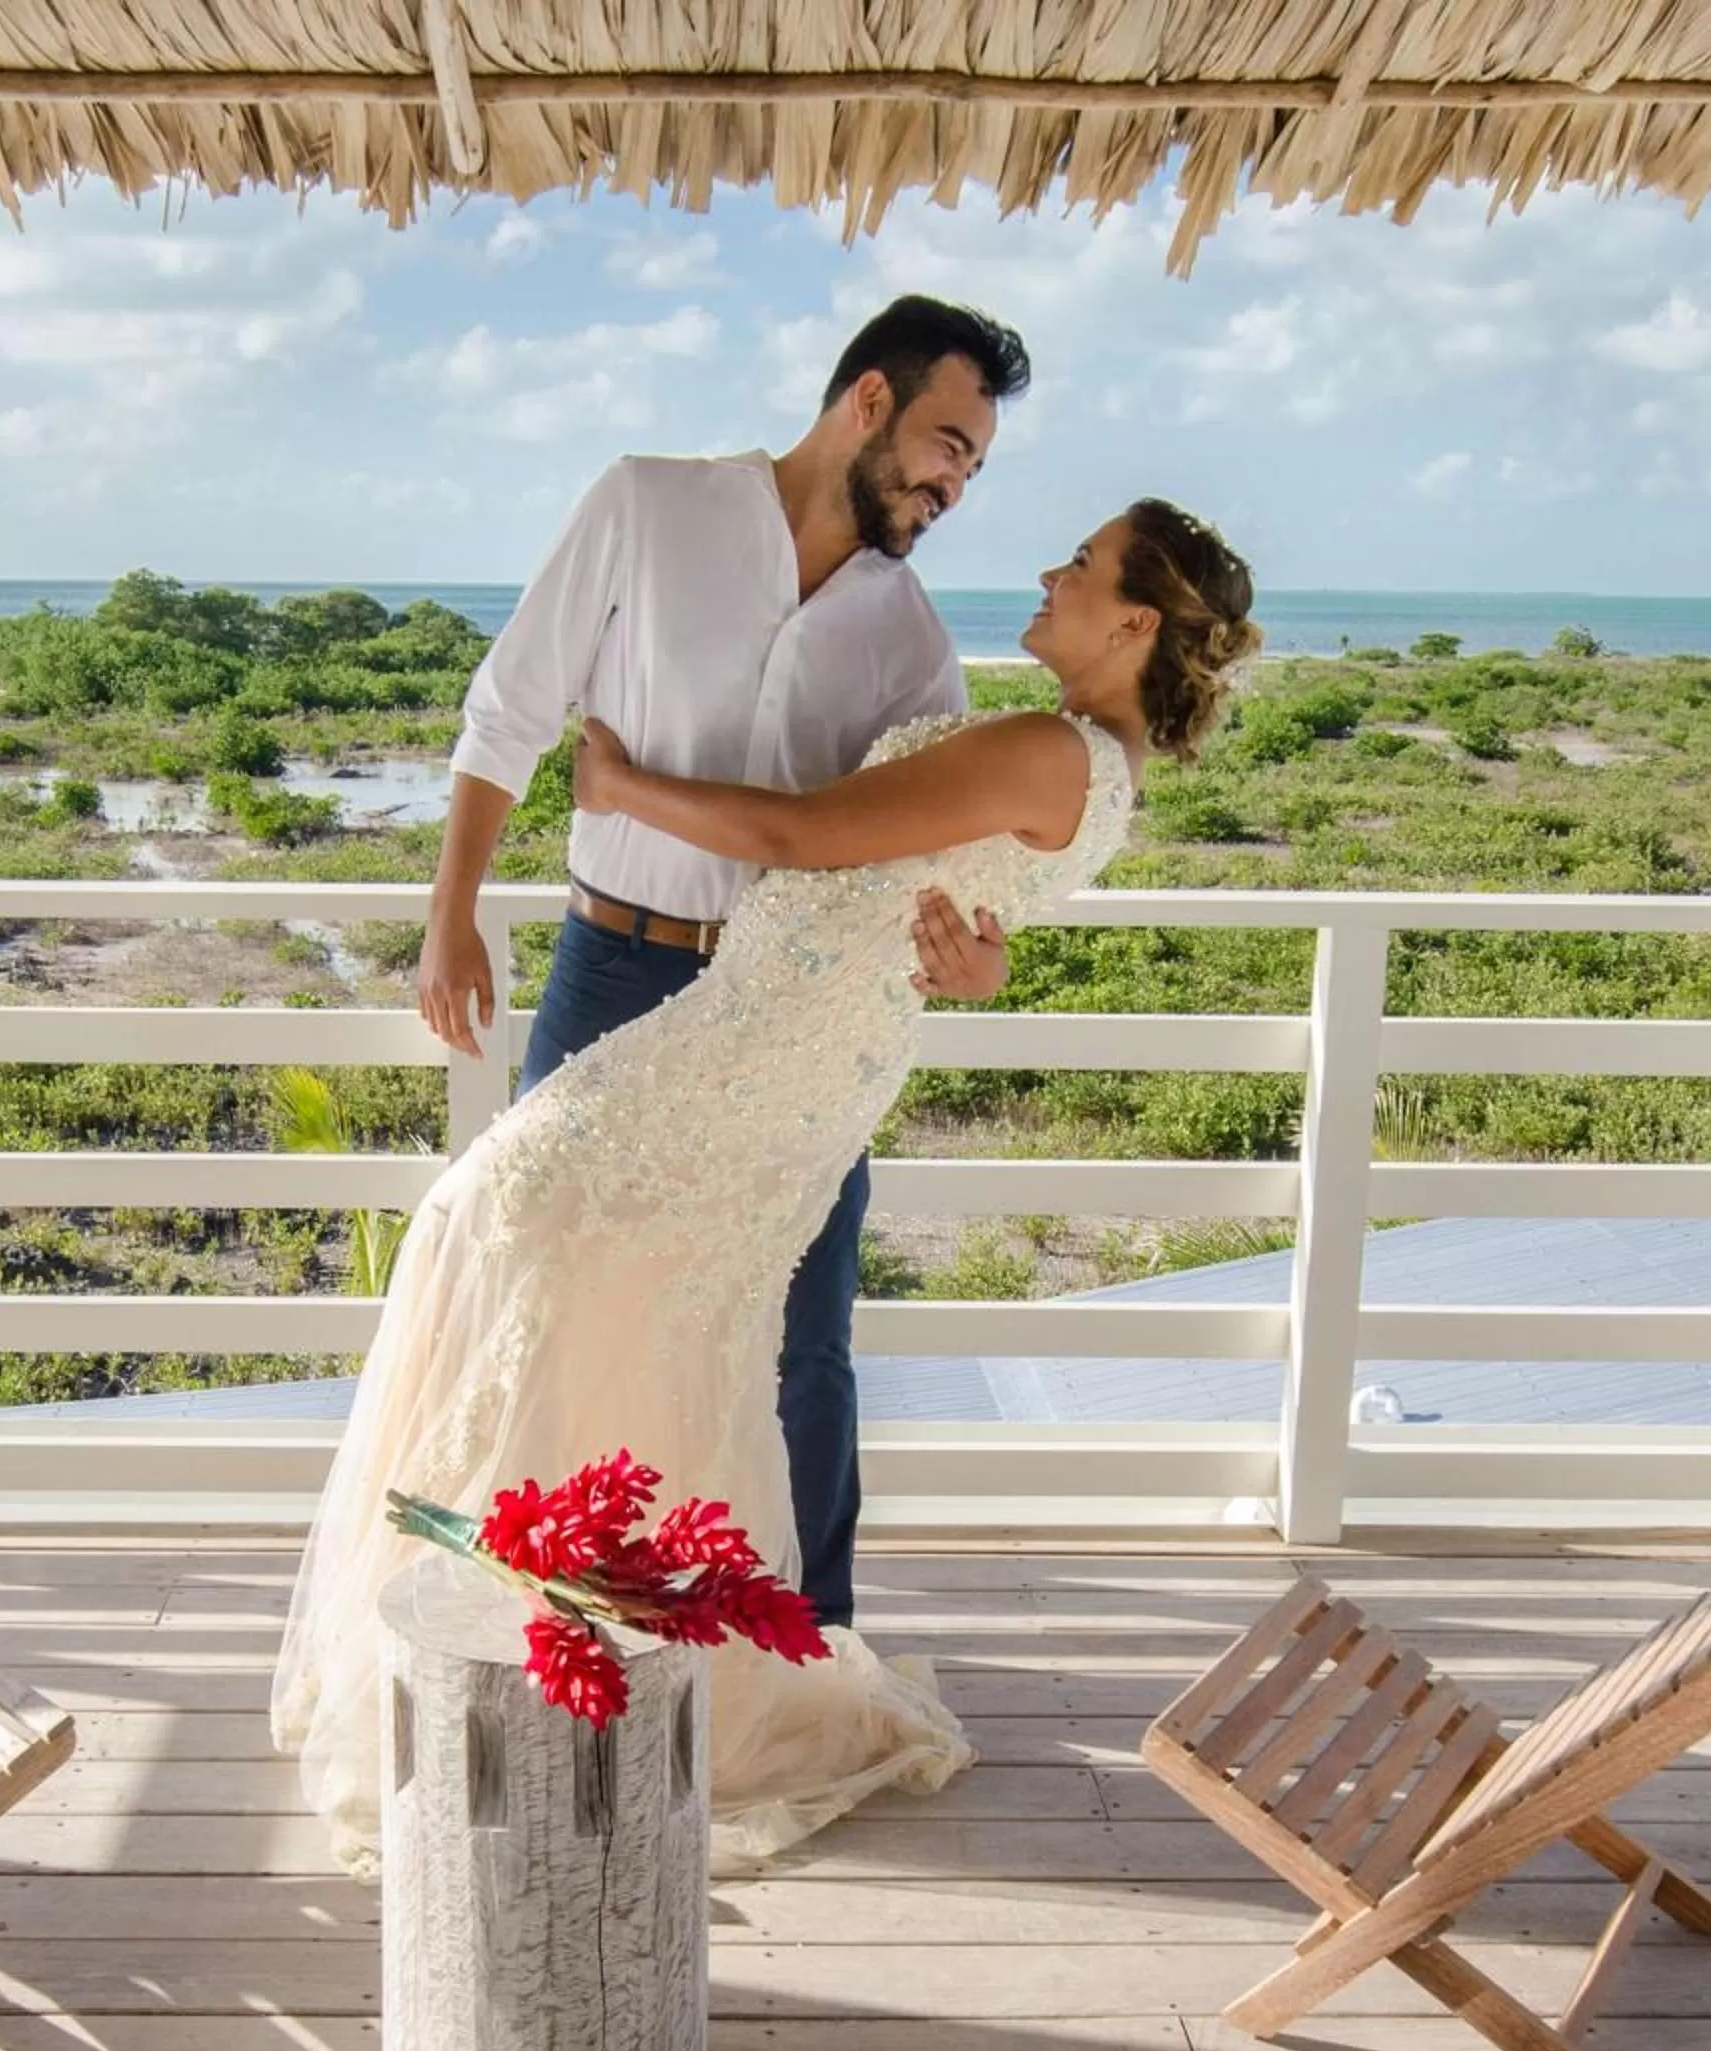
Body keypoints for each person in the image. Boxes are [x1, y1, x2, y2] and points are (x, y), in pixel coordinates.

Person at [273, 501, 1263, 1873]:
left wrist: (618, 788)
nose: (1047, 572)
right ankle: (553, 1640)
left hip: (768, 1059)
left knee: (502, 1214)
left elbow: (804, 835)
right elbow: (961, 895)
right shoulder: (1083, 761)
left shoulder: (1054, 745)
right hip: (773, 1038)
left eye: (1081, 567)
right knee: (581, 1272)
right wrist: (982, 959)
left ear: (1137, 624)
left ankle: (585, 1648)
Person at [417, 295, 1032, 1633]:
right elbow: (511, 707)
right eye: (945, 442)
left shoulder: (915, 641)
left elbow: (932, 857)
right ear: (866, 401)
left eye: (974, 465)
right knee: (554, 1291)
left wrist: (970, 956)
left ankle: (813, 1643)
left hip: (792, 1018)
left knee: (805, 1335)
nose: (954, 482)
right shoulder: (647, 506)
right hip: (609, 973)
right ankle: (545, 1617)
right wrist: (452, 905)